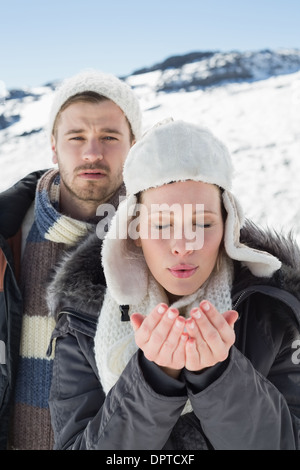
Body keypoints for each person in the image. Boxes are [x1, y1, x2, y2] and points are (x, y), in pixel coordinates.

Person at [47, 119, 300, 450]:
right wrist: (153, 380)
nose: (183, 244)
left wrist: (220, 376)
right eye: (163, 225)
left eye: (202, 223)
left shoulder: (273, 309)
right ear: (134, 231)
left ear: (228, 226)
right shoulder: (82, 317)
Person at [0, 69, 142, 450]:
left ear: (135, 144)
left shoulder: (161, 242)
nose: (92, 153)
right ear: (53, 145)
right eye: (76, 137)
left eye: (109, 138)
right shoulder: (7, 234)